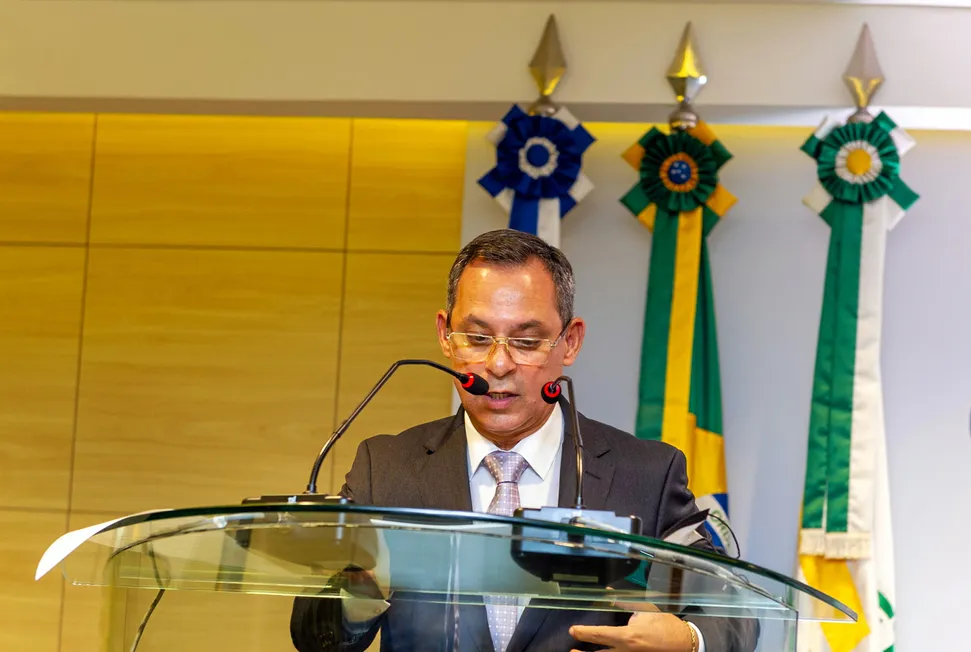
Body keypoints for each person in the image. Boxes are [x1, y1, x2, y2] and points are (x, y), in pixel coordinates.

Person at [291, 229, 760, 652]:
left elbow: (735, 608)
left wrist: (688, 640)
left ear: (569, 343)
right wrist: (358, 595)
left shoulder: (645, 474)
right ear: (445, 337)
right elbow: (315, 635)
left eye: (527, 341)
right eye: (477, 337)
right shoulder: (386, 467)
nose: (498, 365)